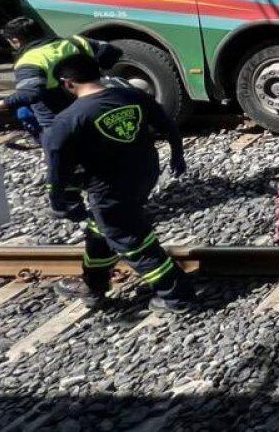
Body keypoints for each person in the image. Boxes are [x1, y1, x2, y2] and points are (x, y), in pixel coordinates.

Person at [41, 52, 193, 313]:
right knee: (101, 230)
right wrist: (176, 155)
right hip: (143, 177)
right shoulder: (131, 96)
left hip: (109, 190)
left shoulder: (69, 119)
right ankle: (94, 286)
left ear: (68, 83)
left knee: (132, 241)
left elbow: (58, 167)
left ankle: (176, 295)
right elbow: (166, 122)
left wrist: (61, 200)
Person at [0, 16, 122, 140]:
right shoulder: (74, 41)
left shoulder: (30, 60)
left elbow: (29, 94)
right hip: (93, 104)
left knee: (28, 117)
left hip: (57, 118)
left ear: (16, 41)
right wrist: (92, 66)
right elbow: (113, 51)